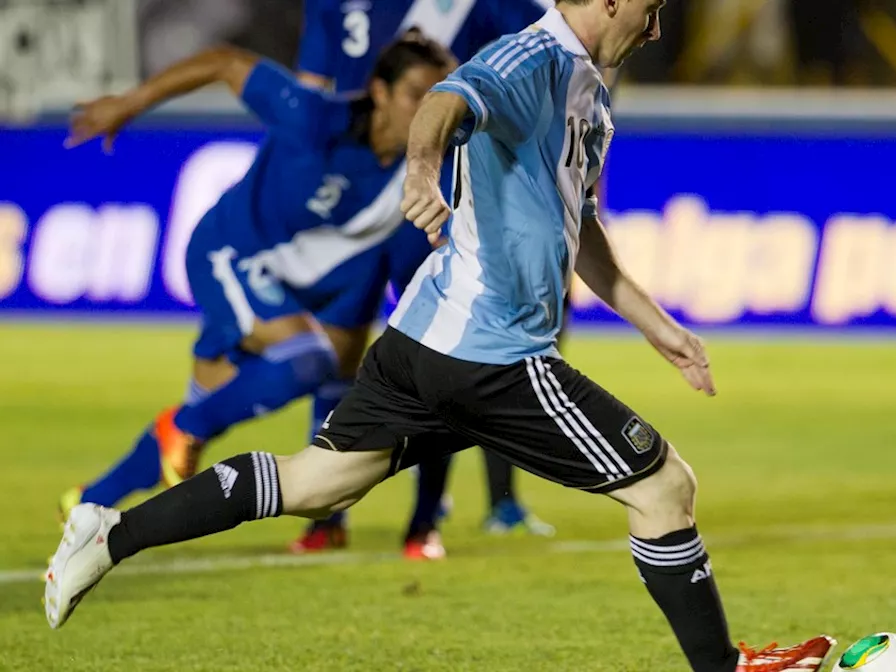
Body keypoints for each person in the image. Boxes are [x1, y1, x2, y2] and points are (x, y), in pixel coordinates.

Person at [45, 3, 835, 670]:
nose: (658, 29)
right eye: (652, 9)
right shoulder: (532, 57)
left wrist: (654, 324)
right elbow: (443, 103)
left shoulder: (590, 90)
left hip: (422, 342)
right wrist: (422, 172)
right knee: (664, 487)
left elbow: (579, 224)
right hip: (487, 353)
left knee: (317, 486)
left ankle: (110, 535)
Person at [57, 32, 455, 548]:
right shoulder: (314, 118)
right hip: (234, 255)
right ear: (379, 92)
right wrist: (129, 103)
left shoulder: (430, 166)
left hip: (326, 280)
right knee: (298, 365)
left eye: (443, 95)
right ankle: (186, 426)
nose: (433, 109)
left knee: (311, 380)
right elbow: (225, 62)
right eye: (418, 94)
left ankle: (91, 499)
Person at [288, 0, 559, 559]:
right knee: (338, 357)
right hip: (361, 193)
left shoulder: (490, 8)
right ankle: (327, 515)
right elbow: (309, 97)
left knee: (442, 355)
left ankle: (424, 521)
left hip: (431, 193)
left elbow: (543, 71)